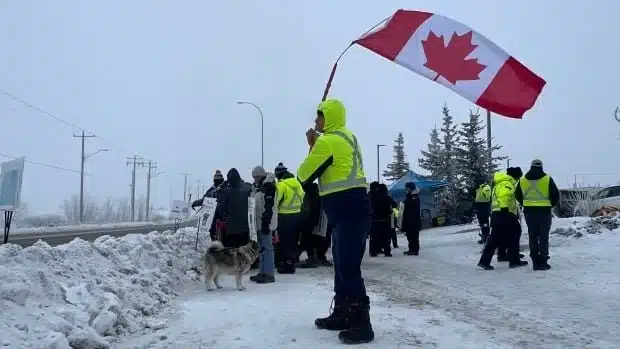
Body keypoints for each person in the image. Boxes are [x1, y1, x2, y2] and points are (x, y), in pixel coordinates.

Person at [297, 98, 374, 344]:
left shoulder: (327, 141)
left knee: (348, 267)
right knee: (341, 265)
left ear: (328, 118)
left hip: (348, 210)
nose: (315, 121)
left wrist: (312, 145)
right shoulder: (348, 136)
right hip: (351, 210)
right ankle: (342, 313)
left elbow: (304, 176)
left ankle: (362, 324)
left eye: (318, 116)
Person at [478, 170, 528, 270]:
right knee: (515, 233)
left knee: (495, 238)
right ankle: (514, 260)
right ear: (515, 177)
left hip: (496, 214)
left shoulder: (498, 184)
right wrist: (505, 209)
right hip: (505, 213)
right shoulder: (507, 183)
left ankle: (485, 261)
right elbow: (504, 196)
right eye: (518, 178)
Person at [515, 159, 559, 270]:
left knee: (532, 236)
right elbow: (555, 195)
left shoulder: (522, 180)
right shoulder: (547, 179)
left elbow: (517, 195)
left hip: (529, 212)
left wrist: (525, 203)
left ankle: (535, 261)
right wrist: (550, 204)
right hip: (544, 211)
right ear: (541, 167)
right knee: (543, 237)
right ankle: (543, 261)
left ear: (531, 166)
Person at [249, 166, 278, 283]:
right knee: (261, 248)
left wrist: (266, 222)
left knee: (267, 247)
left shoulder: (269, 187)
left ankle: (269, 273)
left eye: (256, 177)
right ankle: (262, 272)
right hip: (259, 222)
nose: (255, 180)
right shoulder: (259, 187)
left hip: (266, 221)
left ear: (261, 176)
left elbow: (268, 207)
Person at [274, 162, 305, 274]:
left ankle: (287, 265)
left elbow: (276, 201)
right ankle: (292, 261)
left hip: (285, 216)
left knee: (285, 242)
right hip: (297, 215)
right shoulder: (297, 183)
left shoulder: (281, 185)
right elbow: (302, 196)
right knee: (293, 241)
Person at [214, 168, 252, 248]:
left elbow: (220, 209)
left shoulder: (225, 192)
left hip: (230, 228)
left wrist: (224, 217)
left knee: (230, 253)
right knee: (243, 254)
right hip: (245, 228)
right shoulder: (247, 190)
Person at [191, 170, 227, 241]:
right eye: (216, 179)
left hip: (223, 216)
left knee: (223, 235)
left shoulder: (226, 188)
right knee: (213, 234)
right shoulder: (211, 190)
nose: (217, 181)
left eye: (219, 179)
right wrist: (195, 203)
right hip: (213, 217)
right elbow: (204, 200)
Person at [298, 182, 323, 268]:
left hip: (307, 219)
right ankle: (311, 258)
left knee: (306, 239)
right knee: (309, 239)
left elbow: (306, 208)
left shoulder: (307, 193)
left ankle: (310, 258)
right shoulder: (316, 192)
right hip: (313, 219)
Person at [369, 183, 393, 257]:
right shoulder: (387, 197)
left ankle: (373, 252)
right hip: (385, 220)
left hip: (374, 219)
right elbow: (392, 207)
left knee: (374, 237)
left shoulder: (372, 197)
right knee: (386, 237)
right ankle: (387, 251)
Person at [401, 182, 421, 256]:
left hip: (413, 219)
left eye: (407, 187)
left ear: (410, 188)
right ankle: (411, 249)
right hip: (410, 219)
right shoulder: (410, 196)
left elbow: (413, 208)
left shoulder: (414, 197)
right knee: (410, 235)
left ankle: (414, 250)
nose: (405, 189)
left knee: (413, 235)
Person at [474, 177, 492, 245]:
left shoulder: (486, 187)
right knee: (482, 223)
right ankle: (484, 237)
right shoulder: (479, 188)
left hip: (484, 208)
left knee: (485, 223)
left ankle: (487, 237)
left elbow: (488, 198)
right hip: (479, 208)